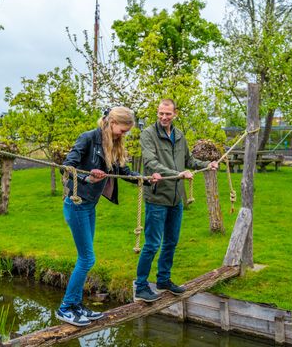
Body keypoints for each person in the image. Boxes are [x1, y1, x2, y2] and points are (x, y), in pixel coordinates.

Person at [57, 106, 160, 326]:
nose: (123, 135)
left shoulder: (114, 145)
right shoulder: (88, 139)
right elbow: (66, 167)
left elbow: (124, 172)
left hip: (89, 206)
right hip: (76, 205)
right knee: (87, 259)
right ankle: (65, 308)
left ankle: (75, 305)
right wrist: (87, 178)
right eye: (122, 130)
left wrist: (147, 179)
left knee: (85, 259)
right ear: (112, 123)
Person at [134, 99, 218, 302]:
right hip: (157, 196)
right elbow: (150, 162)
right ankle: (141, 286)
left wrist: (207, 164)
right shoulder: (148, 135)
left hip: (176, 198)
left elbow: (189, 161)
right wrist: (178, 173)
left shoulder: (179, 135)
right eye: (161, 113)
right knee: (152, 244)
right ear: (157, 113)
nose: (164, 117)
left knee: (171, 242)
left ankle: (163, 279)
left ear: (175, 114)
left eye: (168, 114)